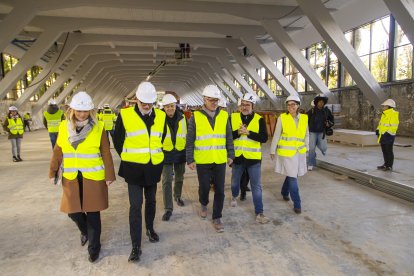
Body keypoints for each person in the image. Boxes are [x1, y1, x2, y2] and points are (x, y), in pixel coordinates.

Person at [48, 91, 115, 263]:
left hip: (92, 176)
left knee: (93, 214)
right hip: (71, 176)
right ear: (72, 110)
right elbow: (58, 150)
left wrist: (109, 174)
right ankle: (84, 231)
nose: (82, 114)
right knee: (73, 212)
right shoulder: (64, 127)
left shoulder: (98, 127)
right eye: (79, 110)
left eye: (85, 111)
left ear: (90, 111)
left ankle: (94, 248)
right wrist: (53, 170)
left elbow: (106, 152)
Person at [113, 81, 167, 262]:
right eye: (143, 101)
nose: (146, 105)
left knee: (151, 201)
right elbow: (118, 140)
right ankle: (136, 245)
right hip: (133, 169)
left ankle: (150, 229)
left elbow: (162, 137)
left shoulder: (160, 116)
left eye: (150, 102)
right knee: (136, 206)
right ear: (136, 99)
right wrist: (129, 157)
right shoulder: (125, 115)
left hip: (152, 167)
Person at [186, 84, 235, 233]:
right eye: (211, 100)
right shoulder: (196, 117)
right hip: (203, 159)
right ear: (204, 100)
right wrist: (190, 158)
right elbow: (190, 139)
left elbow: (228, 136)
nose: (214, 103)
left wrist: (230, 154)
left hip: (220, 159)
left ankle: (217, 217)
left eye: (216, 100)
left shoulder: (224, 115)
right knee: (205, 187)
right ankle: (204, 202)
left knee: (220, 189)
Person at [230, 93, 270, 224]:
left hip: (253, 159)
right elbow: (227, 136)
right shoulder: (233, 117)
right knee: (235, 182)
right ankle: (234, 196)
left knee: (256, 186)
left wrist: (249, 133)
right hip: (238, 158)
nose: (244, 107)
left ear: (253, 106)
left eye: (247, 104)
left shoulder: (259, 119)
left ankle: (260, 212)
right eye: (243, 104)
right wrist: (237, 132)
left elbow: (264, 138)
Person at [270, 95, 309, 214]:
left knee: (293, 174)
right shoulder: (282, 118)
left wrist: (307, 147)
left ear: (298, 105)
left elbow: (306, 134)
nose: (291, 107)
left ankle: (284, 192)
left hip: (299, 152)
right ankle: (297, 204)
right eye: (289, 105)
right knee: (293, 177)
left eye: (293, 104)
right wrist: (272, 150)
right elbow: (276, 134)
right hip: (286, 153)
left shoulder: (304, 118)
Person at [160, 94, 187, 221]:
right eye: (167, 107)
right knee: (166, 180)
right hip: (166, 153)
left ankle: (178, 196)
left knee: (179, 177)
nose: (170, 109)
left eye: (172, 106)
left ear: (175, 106)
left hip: (180, 152)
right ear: (163, 107)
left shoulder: (183, 118)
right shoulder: (158, 119)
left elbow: (187, 135)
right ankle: (168, 208)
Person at [306, 93, 334, 171]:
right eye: (319, 101)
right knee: (311, 148)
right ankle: (310, 163)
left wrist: (329, 124)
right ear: (316, 102)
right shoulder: (311, 111)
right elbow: (304, 119)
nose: (321, 103)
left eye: (322, 102)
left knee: (324, 148)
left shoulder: (326, 111)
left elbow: (332, 120)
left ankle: (317, 145)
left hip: (322, 132)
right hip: (312, 132)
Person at [376, 99, 399, 171]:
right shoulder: (384, 113)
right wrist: (377, 129)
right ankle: (385, 164)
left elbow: (394, 125)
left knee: (389, 150)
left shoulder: (393, 114)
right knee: (384, 150)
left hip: (389, 135)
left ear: (388, 106)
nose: (383, 107)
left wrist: (388, 133)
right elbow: (381, 124)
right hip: (382, 135)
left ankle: (389, 166)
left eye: (384, 106)